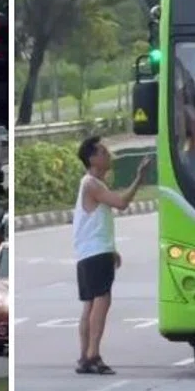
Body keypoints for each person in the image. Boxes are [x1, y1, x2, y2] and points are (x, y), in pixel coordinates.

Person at [73, 135, 152, 375]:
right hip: (95, 253)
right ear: (92, 158)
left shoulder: (91, 184)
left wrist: (111, 248)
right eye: (103, 152)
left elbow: (96, 222)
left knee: (90, 305)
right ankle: (93, 355)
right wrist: (139, 178)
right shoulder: (92, 185)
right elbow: (121, 203)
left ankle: (85, 356)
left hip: (90, 252)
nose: (108, 155)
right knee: (101, 301)